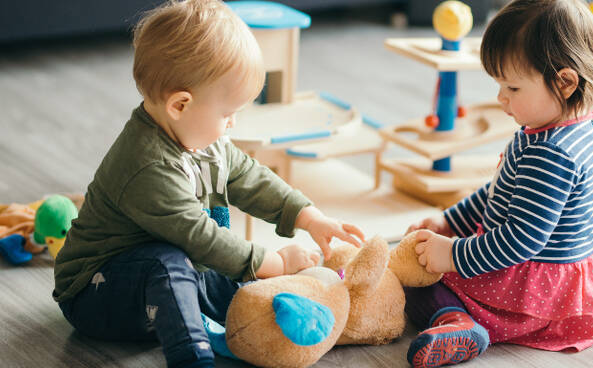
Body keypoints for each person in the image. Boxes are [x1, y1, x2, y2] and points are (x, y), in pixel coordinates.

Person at [52, 1, 364, 367]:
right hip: (96, 294)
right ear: (180, 105)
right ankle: (192, 354)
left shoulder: (204, 139)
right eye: (227, 113)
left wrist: (307, 217)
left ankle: (267, 324)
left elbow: (249, 177)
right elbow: (200, 238)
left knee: (227, 280)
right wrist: (274, 262)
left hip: (172, 271)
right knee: (173, 263)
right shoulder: (146, 166)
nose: (232, 125)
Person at [403, 0, 593, 366]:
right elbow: (498, 193)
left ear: (565, 82)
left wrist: (452, 254)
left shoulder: (551, 153)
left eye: (513, 88)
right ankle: (460, 317)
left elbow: (521, 240)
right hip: (555, 278)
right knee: (425, 263)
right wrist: (450, 221)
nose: (500, 98)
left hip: (530, 288)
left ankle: (458, 322)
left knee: (418, 280)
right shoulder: (568, 127)